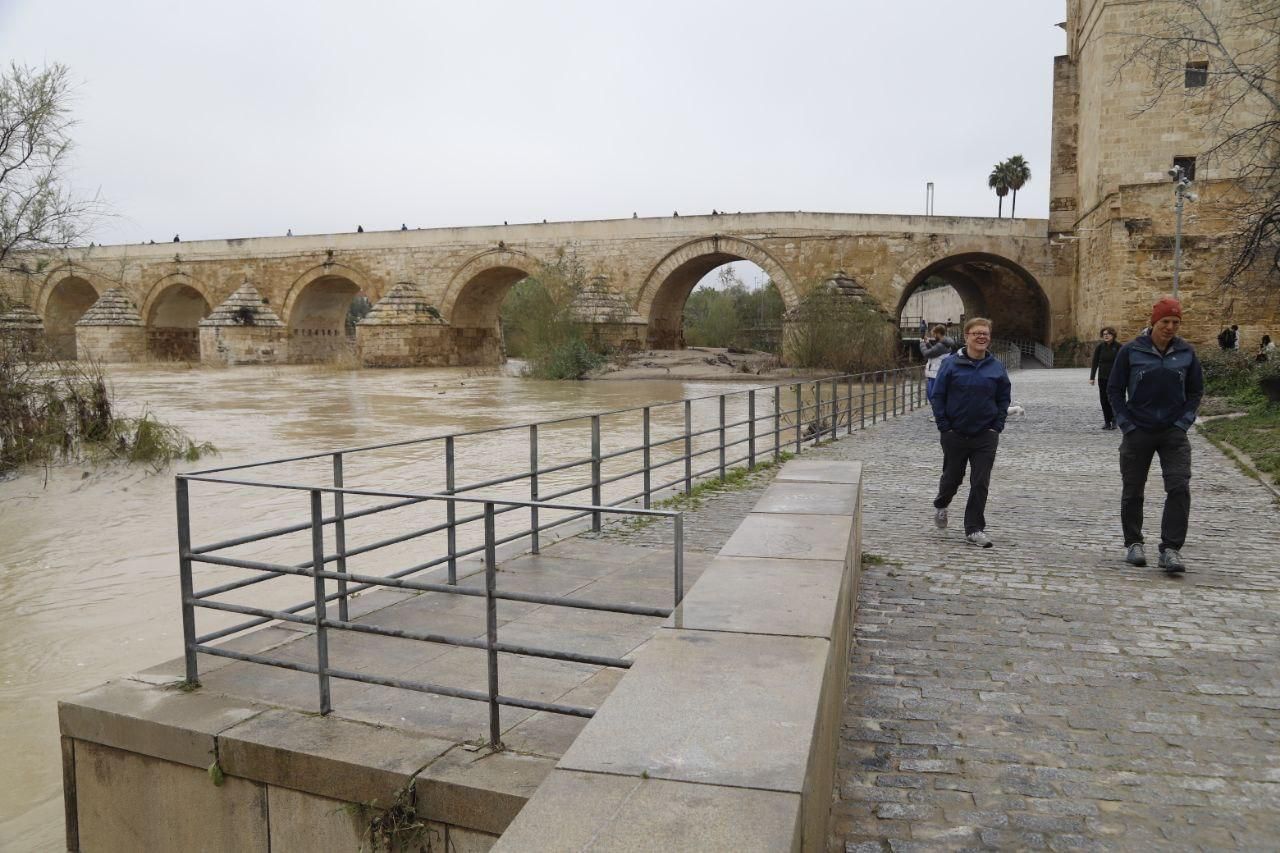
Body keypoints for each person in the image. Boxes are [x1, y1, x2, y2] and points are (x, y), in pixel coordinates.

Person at [1107, 296, 1203, 574]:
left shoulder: (1186, 352)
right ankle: (1134, 543)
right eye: (1165, 321)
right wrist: (1126, 424)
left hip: (1173, 432)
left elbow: (1196, 391)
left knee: (1179, 487)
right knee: (1133, 489)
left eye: (1175, 322)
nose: (1170, 327)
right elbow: (1114, 389)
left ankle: (1170, 549)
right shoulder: (1131, 351)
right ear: (1154, 322)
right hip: (1138, 431)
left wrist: (1183, 422)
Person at [930, 317, 1011, 548]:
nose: (981, 337)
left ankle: (974, 529)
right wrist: (944, 426)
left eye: (985, 333)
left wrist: (997, 425)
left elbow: (1003, 396)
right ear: (966, 336)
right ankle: (942, 503)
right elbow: (938, 395)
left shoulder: (995, 366)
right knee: (952, 478)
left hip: (985, 434)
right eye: (976, 333)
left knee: (980, 482)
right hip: (955, 432)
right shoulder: (951, 364)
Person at [1089, 326, 1122, 429]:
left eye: (1108, 334)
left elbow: (1123, 363)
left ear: (1113, 335)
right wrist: (1092, 377)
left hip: (1114, 378)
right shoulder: (1100, 347)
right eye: (1104, 334)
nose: (1106, 336)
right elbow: (1095, 362)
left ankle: (1115, 420)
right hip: (1102, 377)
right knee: (1103, 400)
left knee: (1113, 399)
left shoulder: (1118, 347)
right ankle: (1107, 421)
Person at [920, 324, 956, 401]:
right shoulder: (945, 344)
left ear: (938, 333)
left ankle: (939, 413)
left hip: (935, 375)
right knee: (935, 398)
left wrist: (922, 343)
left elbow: (926, 354)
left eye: (934, 334)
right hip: (937, 374)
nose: (933, 336)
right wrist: (927, 343)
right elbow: (934, 352)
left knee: (934, 398)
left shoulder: (941, 345)